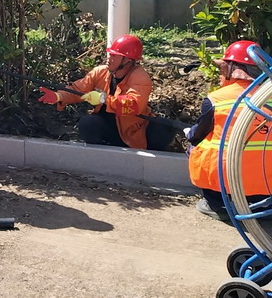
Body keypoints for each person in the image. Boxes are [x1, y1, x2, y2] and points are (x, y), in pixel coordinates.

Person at [37, 34, 174, 151]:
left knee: (162, 128)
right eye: (110, 54)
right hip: (108, 125)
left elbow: (133, 105)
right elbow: (79, 89)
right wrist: (58, 96)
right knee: (87, 123)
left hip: (132, 130)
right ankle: (103, 153)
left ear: (127, 60)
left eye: (114, 55)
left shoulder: (140, 77)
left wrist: (103, 99)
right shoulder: (100, 72)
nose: (109, 58)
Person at [186, 40, 271, 221]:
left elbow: (197, 135)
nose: (221, 73)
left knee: (195, 149)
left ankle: (216, 203)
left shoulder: (216, 99)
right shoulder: (268, 96)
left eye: (222, 68)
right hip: (267, 190)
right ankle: (262, 205)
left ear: (232, 68)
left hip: (228, 189)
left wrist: (190, 133)